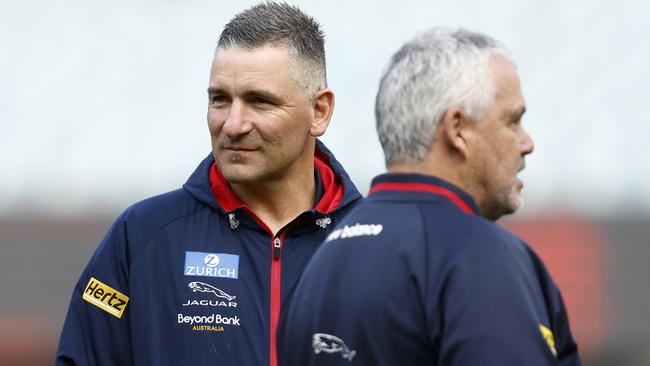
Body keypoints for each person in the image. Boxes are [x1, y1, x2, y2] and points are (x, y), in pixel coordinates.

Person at [56, 2, 361, 365]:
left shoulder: (380, 245)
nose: (233, 124)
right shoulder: (140, 237)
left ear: (319, 111)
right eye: (220, 99)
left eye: (259, 101)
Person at [278, 28, 581, 365]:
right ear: (457, 129)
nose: (527, 143)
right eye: (512, 121)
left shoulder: (318, 265)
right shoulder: (477, 255)